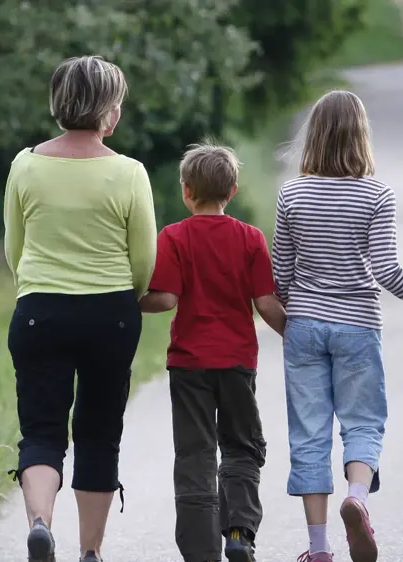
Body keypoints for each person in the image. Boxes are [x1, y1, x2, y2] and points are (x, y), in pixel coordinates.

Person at [273, 90, 403, 562]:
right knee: (363, 422)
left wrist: (299, 316)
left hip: (305, 324)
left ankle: (318, 550)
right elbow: (387, 271)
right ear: (361, 135)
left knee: (309, 433)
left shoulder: (292, 194)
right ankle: (357, 498)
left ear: (314, 135)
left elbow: (280, 277)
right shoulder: (376, 195)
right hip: (357, 326)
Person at [3, 55, 157, 562]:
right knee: (98, 433)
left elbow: (14, 249)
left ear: (59, 103)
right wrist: (128, 297)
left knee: (41, 431)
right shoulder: (129, 172)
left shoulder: (25, 165)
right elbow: (144, 260)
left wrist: (37, 287)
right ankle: (90, 552)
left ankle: (40, 524)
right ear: (109, 112)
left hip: (39, 310)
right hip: (110, 313)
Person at [139, 143, 286, 562]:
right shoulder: (251, 238)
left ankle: (201, 551)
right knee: (241, 446)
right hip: (237, 362)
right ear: (233, 191)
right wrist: (297, 338)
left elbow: (166, 299)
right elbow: (266, 304)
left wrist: (129, 302)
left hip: (189, 364)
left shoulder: (174, 236)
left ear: (186, 191)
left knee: (195, 454)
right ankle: (239, 532)